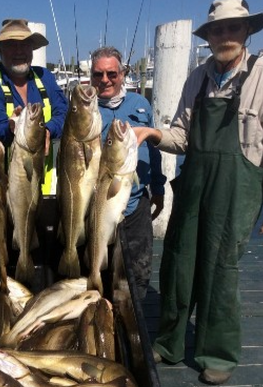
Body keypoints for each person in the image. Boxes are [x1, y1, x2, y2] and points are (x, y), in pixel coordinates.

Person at [133, 0, 263, 384]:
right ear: (208, 37)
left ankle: (216, 352)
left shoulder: (260, 74)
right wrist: (152, 134)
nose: (224, 36)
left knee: (220, 268)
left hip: (237, 189)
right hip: (194, 185)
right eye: (217, 30)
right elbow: (182, 137)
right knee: (178, 261)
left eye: (232, 28)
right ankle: (170, 341)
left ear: (246, 32)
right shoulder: (198, 79)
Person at [90, 46, 166, 300]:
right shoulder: (87, 109)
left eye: (111, 74)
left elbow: (154, 150)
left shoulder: (141, 104)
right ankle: (99, 309)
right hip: (100, 203)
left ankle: (132, 319)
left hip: (136, 204)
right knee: (101, 262)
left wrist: (158, 187)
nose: (105, 80)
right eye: (98, 74)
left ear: (122, 74)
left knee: (137, 271)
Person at [0, 18, 68, 195]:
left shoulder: (45, 77)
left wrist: (47, 130)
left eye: (25, 45)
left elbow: (64, 114)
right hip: (3, 194)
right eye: (11, 45)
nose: (19, 51)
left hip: (47, 190)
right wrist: (11, 128)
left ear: (32, 49)